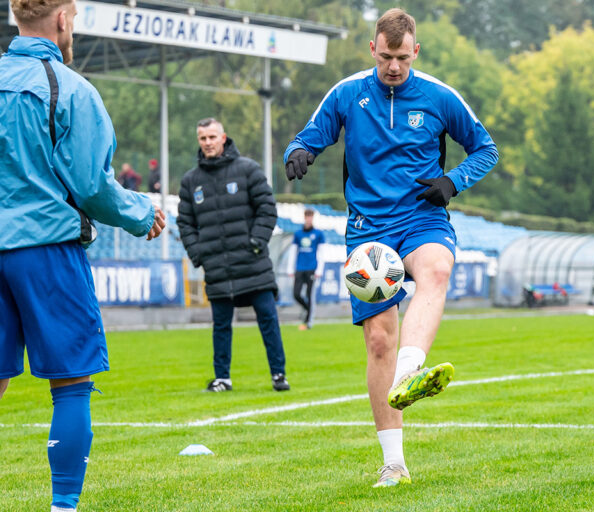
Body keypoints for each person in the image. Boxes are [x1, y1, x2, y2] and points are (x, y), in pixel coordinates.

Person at [0, 0, 166, 510]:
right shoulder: (71, 89)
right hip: (48, 251)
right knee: (72, 384)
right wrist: (141, 213)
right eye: (73, 18)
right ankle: (62, 506)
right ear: (62, 18)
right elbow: (92, 186)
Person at [284, 8, 498, 487]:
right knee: (379, 339)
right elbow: (308, 137)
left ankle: (410, 371)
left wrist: (452, 181)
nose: (394, 66)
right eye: (385, 57)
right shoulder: (347, 93)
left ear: (415, 51)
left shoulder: (441, 96)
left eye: (402, 57)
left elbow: (486, 148)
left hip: (423, 216)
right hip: (368, 230)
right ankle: (394, 463)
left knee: (437, 269)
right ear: (372, 50)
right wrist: (298, 152)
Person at [177, 118, 290, 393]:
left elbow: (267, 208)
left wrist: (256, 242)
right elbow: (185, 223)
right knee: (221, 325)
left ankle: (278, 375)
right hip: (217, 267)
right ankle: (223, 378)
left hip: (253, 263)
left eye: (212, 137)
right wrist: (199, 254)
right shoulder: (191, 181)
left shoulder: (248, 169)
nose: (208, 143)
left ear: (223, 138)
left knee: (268, 319)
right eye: (203, 138)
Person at [292, 208, 325, 330]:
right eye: (307, 216)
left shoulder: (318, 234)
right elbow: (293, 252)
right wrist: (291, 269)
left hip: (312, 268)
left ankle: (309, 322)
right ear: (304, 217)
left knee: (310, 295)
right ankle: (308, 309)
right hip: (300, 268)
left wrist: (319, 270)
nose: (309, 219)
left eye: (311, 216)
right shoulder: (298, 234)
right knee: (296, 294)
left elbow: (321, 252)